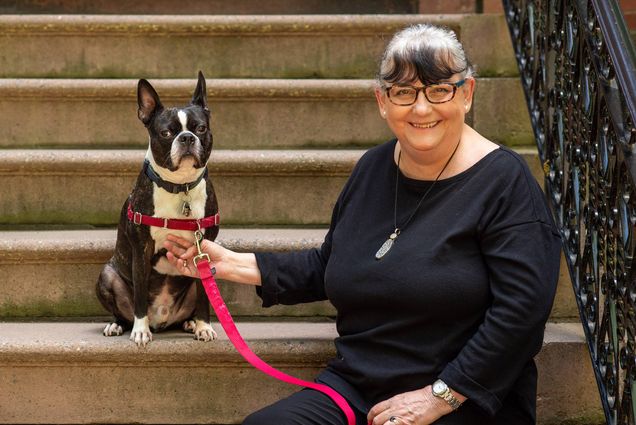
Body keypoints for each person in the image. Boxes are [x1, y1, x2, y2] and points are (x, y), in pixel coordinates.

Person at [164, 23, 562, 425]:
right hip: (356, 388)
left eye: (439, 89)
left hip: (462, 397)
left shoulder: (505, 182)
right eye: (404, 92)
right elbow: (331, 264)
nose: (421, 108)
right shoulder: (372, 167)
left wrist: (441, 396)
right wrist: (228, 263)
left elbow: (522, 314)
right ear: (382, 101)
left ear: (467, 94)